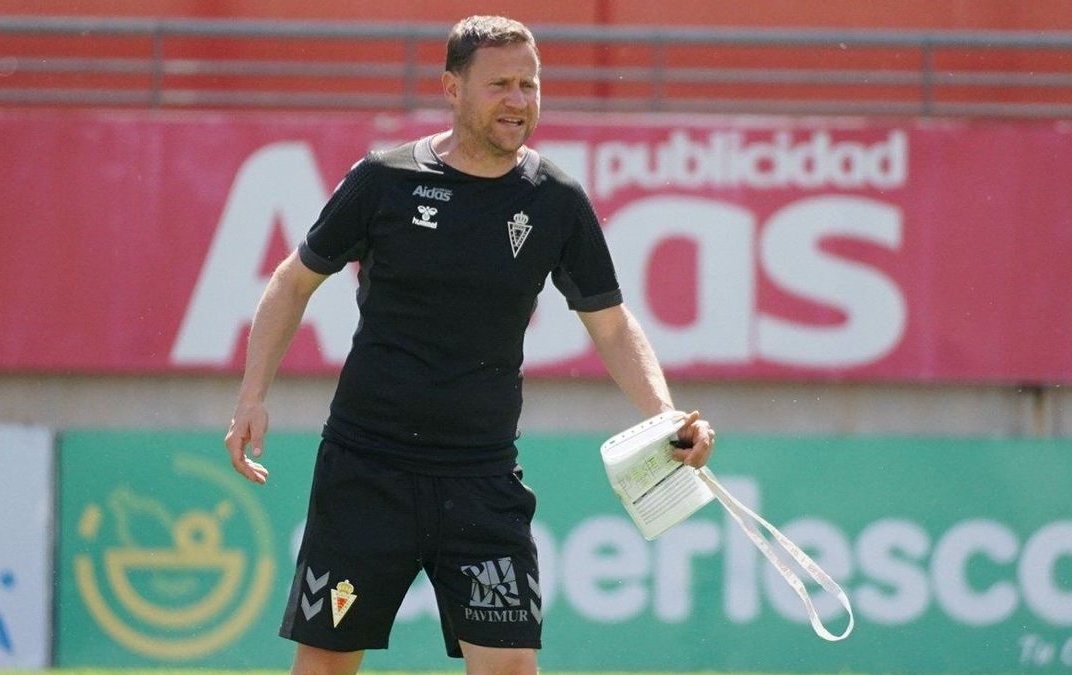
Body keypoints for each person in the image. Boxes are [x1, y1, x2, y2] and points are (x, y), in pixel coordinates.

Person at [224, 15, 714, 675]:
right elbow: (291, 284)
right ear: (452, 89)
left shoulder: (556, 200)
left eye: (529, 84)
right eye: (500, 85)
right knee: (327, 663)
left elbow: (613, 324)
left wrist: (663, 416)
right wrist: (253, 393)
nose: (518, 100)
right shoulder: (384, 180)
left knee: (511, 665)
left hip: (482, 482)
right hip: (366, 471)